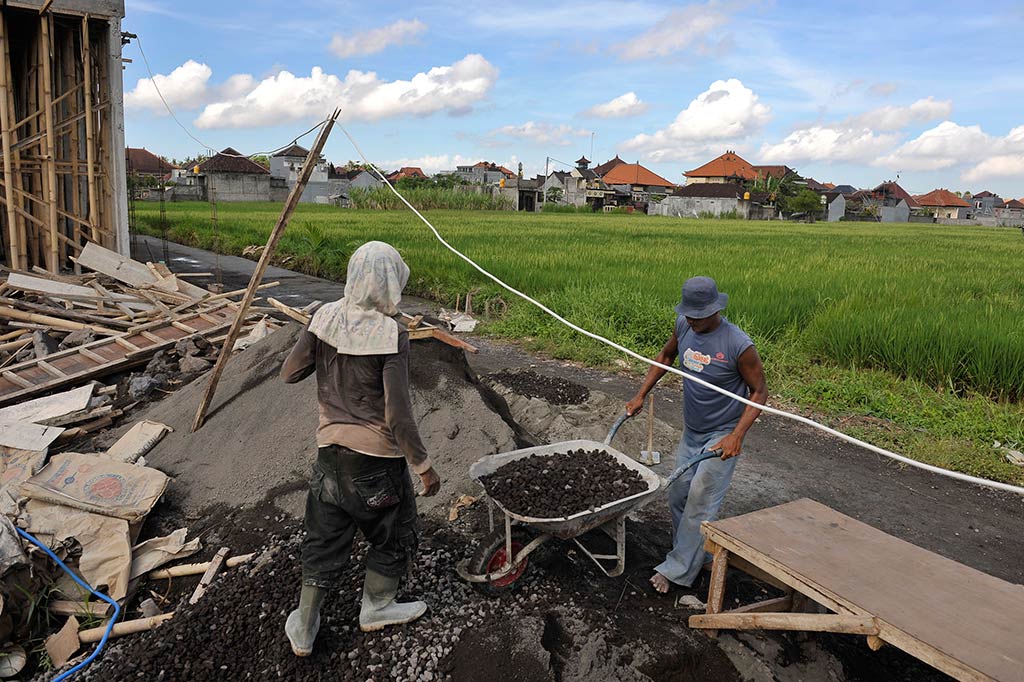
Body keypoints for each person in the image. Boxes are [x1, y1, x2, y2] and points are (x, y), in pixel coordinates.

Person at [280, 241, 441, 656]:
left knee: (324, 538)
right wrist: (423, 466)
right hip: (377, 464)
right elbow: (398, 413)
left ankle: (304, 624)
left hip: (329, 454)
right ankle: (377, 606)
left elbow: (289, 373)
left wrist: (320, 341)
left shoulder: (323, 317)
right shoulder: (393, 334)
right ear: (392, 280)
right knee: (393, 534)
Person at [625, 276, 766, 594]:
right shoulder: (684, 325)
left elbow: (759, 392)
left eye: (698, 315)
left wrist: (737, 435)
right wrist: (640, 394)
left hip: (721, 435)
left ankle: (678, 570)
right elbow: (665, 357)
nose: (692, 320)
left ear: (715, 309)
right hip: (693, 431)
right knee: (678, 494)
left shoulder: (738, 345)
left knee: (701, 498)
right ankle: (694, 554)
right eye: (688, 313)